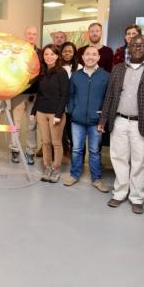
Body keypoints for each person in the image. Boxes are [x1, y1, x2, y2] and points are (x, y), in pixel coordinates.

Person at [98, 35, 144, 214]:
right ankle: (120, 193)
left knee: (139, 162)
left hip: (143, 124)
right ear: (128, 47)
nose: (137, 48)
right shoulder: (117, 69)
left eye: (142, 45)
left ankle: (137, 197)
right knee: (119, 158)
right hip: (119, 121)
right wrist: (103, 119)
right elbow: (109, 97)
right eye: (134, 45)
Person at [64, 45, 110, 192]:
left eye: (94, 54)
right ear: (82, 58)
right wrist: (72, 110)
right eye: (87, 54)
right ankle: (74, 174)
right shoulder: (76, 76)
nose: (90, 57)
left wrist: (102, 114)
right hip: (77, 120)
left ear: (98, 57)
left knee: (94, 151)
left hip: (96, 121)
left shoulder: (105, 76)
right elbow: (70, 95)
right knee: (77, 149)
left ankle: (96, 178)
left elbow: (107, 98)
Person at [30, 44, 70, 182]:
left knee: (56, 143)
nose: (49, 57)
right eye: (46, 54)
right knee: (45, 142)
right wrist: (33, 111)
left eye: (52, 54)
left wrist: (59, 114)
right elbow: (39, 94)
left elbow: (65, 94)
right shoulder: (42, 72)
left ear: (57, 56)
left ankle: (56, 169)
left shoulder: (62, 72)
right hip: (41, 112)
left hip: (55, 114)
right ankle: (47, 167)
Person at [8, 25, 41, 165]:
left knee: (32, 124)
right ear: (25, 35)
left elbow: (42, 73)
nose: (31, 36)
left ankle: (30, 152)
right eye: (28, 33)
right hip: (19, 94)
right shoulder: (17, 52)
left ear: (36, 35)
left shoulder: (41, 53)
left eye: (33, 34)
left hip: (35, 94)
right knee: (15, 124)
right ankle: (15, 150)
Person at [60, 41, 81, 157]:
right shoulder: (58, 66)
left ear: (74, 53)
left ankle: (75, 155)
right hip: (59, 105)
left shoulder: (79, 67)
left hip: (74, 105)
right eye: (64, 51)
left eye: (70, 51)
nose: (67, 54)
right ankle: (63, 151)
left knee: (73, 131)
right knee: (60, 132)